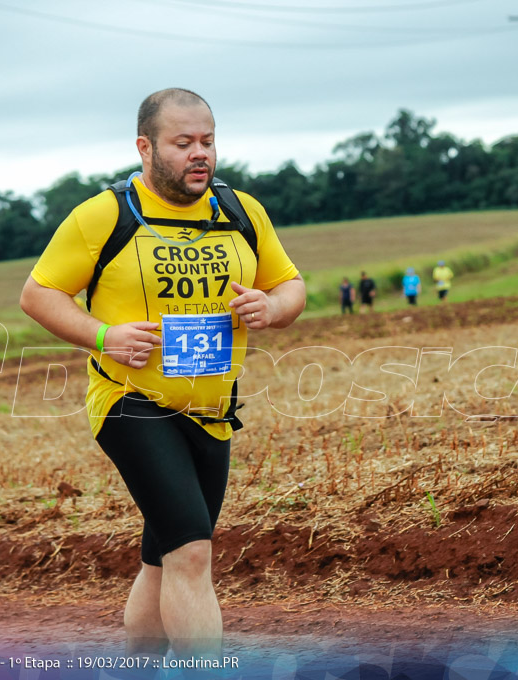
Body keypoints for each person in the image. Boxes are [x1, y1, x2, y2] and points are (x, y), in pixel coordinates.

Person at [19, 88, 305, 658]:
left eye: (208, 141)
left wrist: (271, 308)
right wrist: (104, 336)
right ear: (146, 148)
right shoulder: (105, 215)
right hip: (131, 402)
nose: (200, 154)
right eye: (183, 143)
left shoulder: (241, 211)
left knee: (165, 556)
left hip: (212, 410)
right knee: (193, 553)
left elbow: (291, 286)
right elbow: (38, 293)